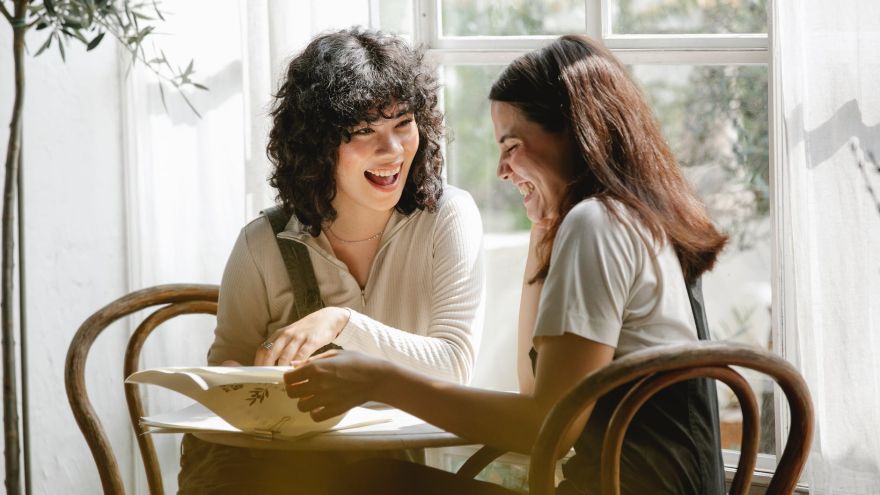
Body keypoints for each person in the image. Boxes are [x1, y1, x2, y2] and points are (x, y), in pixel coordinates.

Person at [284, 34, 728, 495]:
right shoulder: (629, 217)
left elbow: (546, 431)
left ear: (576, 133)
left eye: (512, 145)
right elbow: (534, 388)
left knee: (361, 483)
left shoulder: (596, 224)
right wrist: (542, 233)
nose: (500, 169)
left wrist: (379, 379)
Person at [177, 27, 485, 494]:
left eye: (403, 123)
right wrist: (245, 380)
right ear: (318, 146)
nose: (394, 150)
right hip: (280, 474)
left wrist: (341, 323)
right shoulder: (263, 242)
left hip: (387, 474)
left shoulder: (447, 217)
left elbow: (454, 368)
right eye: (363, 131)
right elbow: (226, 376)